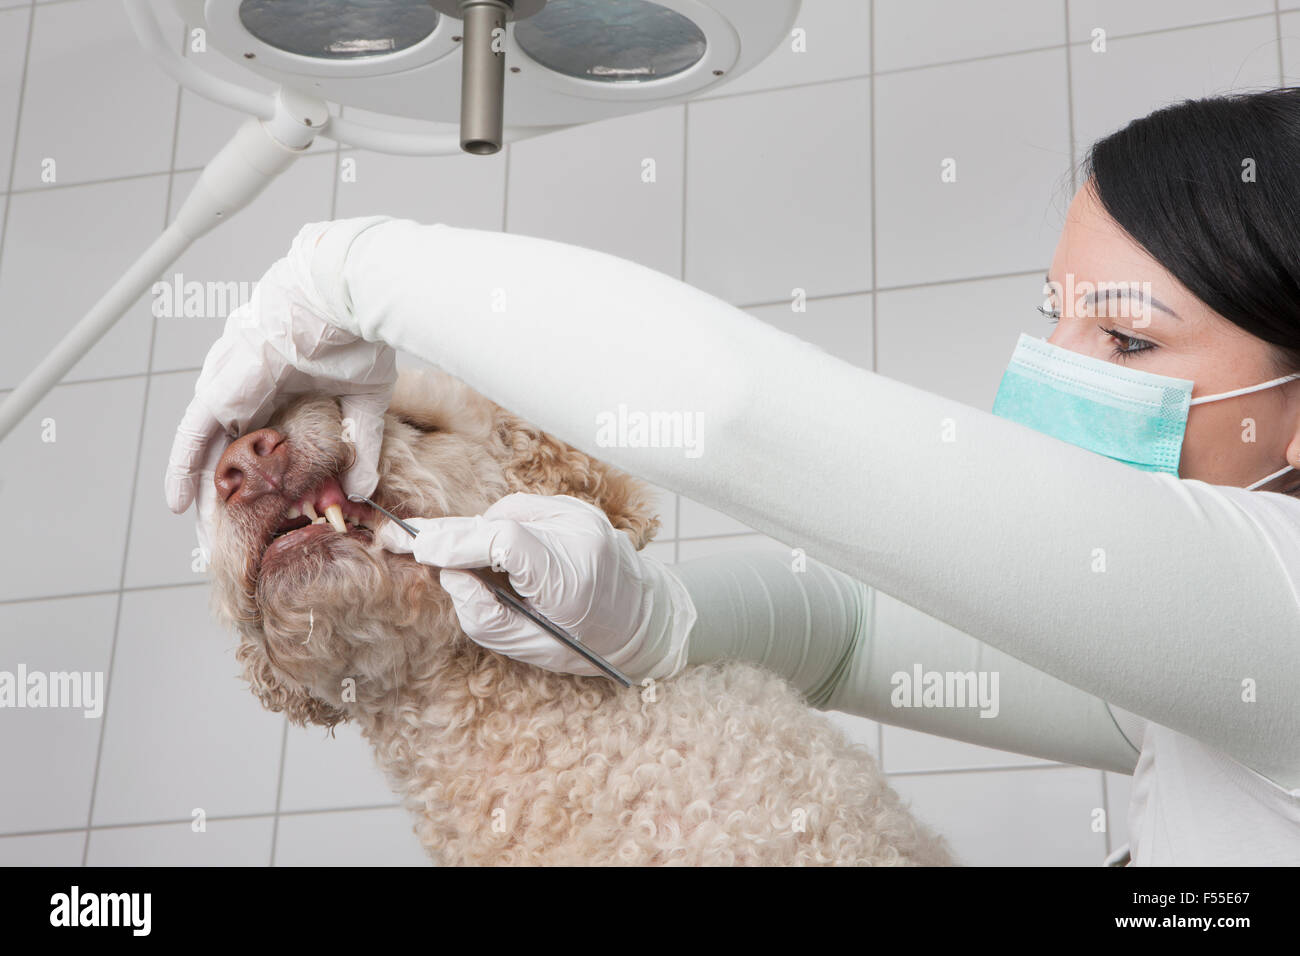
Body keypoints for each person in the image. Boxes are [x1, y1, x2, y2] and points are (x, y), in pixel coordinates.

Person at [166, 89, 1300, 866]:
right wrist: (652, 618)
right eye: (1056, 321)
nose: (1056, 372)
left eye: (1131, 342)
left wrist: (343, 270)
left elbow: (732, 411)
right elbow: (849, 631)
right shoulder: (1189, 691)